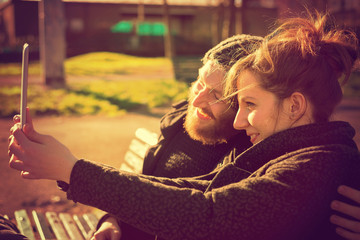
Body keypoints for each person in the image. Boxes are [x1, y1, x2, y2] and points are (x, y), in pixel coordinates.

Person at [7, 12, 360, 240]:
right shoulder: (288, 154)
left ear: (296, 105)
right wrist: (70, 171)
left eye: (248, 105)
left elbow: (205, 214)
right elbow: (197, 191)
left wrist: (73, 170)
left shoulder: (316, 165)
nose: (239, 119)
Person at [92, 34, 258, 239]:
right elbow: (144, 184)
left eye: (216, 96)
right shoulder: (179, 120)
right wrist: (112, 220)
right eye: (200, 82)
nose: (197, 101)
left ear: (244, 105)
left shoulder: (244, 159)